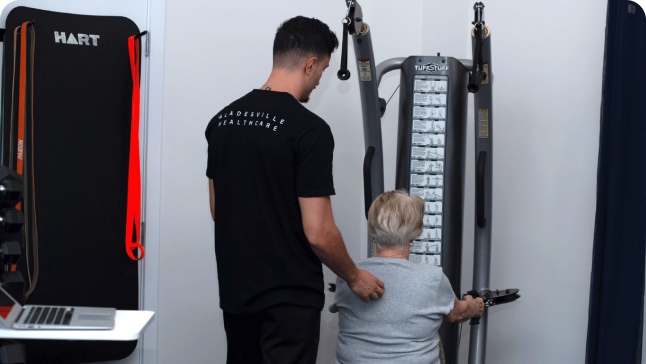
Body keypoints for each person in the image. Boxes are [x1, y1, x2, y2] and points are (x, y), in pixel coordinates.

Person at [205, 16, 385, 364]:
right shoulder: (309, 130)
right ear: (310, 63)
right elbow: (319, 231)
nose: (320, 81)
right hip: (289, 302)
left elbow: (219, 209)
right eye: (323, 70)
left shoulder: (222, 121)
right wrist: (354, 276)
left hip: (236, 294)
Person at [330, 190, 484, 364]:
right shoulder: (432, 278)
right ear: (414, 236)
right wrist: (474, 306)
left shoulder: (348, 275)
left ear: (372, 234)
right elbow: (458, 314)